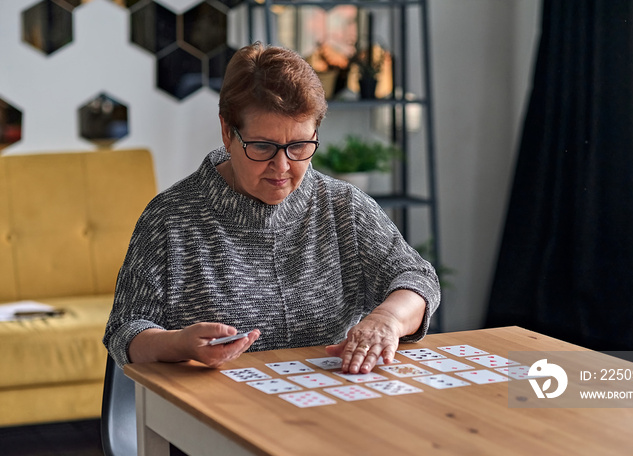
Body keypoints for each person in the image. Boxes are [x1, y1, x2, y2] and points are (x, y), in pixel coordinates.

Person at [103, 42, 440, 375]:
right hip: (212, 413)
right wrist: (177, 345)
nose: (282, 167)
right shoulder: (171, 218)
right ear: (227, 131)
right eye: (262, 146)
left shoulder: (343, 207)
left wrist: (387, 320)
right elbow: (124, 330)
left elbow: (417, 278)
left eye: (299, 146)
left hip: (331, 406)